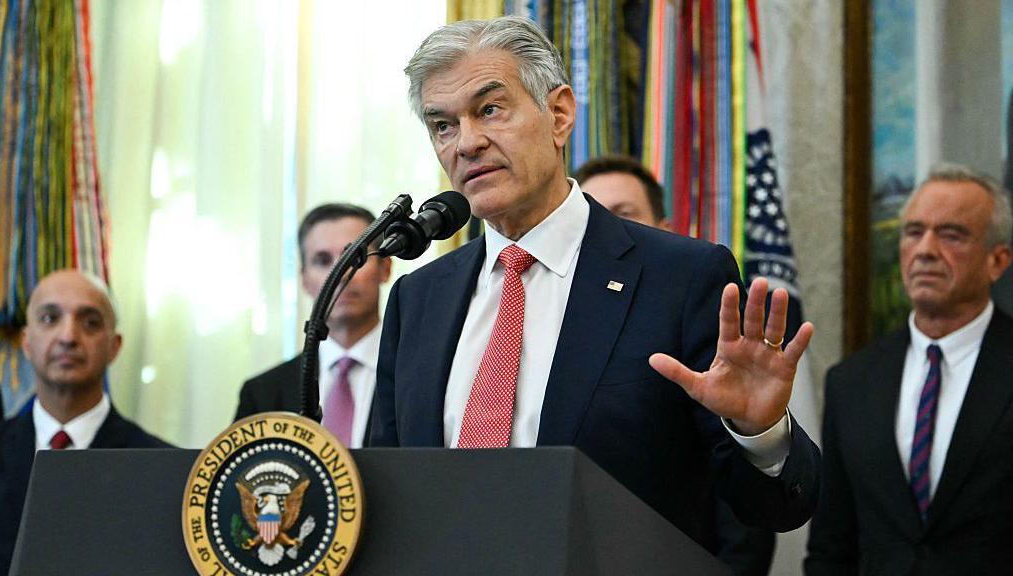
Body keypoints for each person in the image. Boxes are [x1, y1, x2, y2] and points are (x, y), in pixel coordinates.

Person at [370, 15, 820, 555]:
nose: (466, 143)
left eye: (490, 109)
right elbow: (390, 491)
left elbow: (763, 511)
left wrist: (760, 433)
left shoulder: (680, 279)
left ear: (559, 114)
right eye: (442, 125)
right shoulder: (417, 298)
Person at [805, 164, 1013, 575]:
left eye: (951, 235)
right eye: (913, 232)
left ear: (997, 261)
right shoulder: (851, 382)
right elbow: (832, 547)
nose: (926, 250)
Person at [576, 155, 776, 575]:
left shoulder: (697, 301)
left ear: (664, 227)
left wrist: (759, 431)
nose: (608, 234)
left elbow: (738, 510)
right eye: (593, 218)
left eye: (624, 216)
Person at [0, 269, 170, 575]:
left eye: (90, 323)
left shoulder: (162, 469)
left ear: (115, 345)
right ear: (26, 342)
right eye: (49, 318)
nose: (68, 336)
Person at [234, 203, 391, 448]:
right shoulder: (263, 393)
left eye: (355, 258)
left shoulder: (417, 377)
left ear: (385, 268)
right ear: (304, 279)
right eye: (322, 260)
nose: (340, 273)